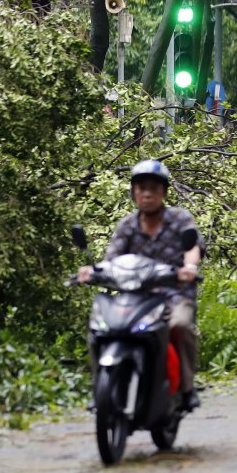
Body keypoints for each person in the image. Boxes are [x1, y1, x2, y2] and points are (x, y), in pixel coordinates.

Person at [79, 159, 204, 410]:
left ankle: (187, 388)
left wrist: (189, 268)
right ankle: (100, 385)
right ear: (134, 192)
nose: (147, 194)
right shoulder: (127, 225)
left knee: (180, 326)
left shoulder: (180, 220)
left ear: (164, 193)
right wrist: (91, 271)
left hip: (173, 295)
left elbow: (192, 248)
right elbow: (111, 260)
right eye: (141, 188)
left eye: (153, 188)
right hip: (134, 297)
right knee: (99, 327)